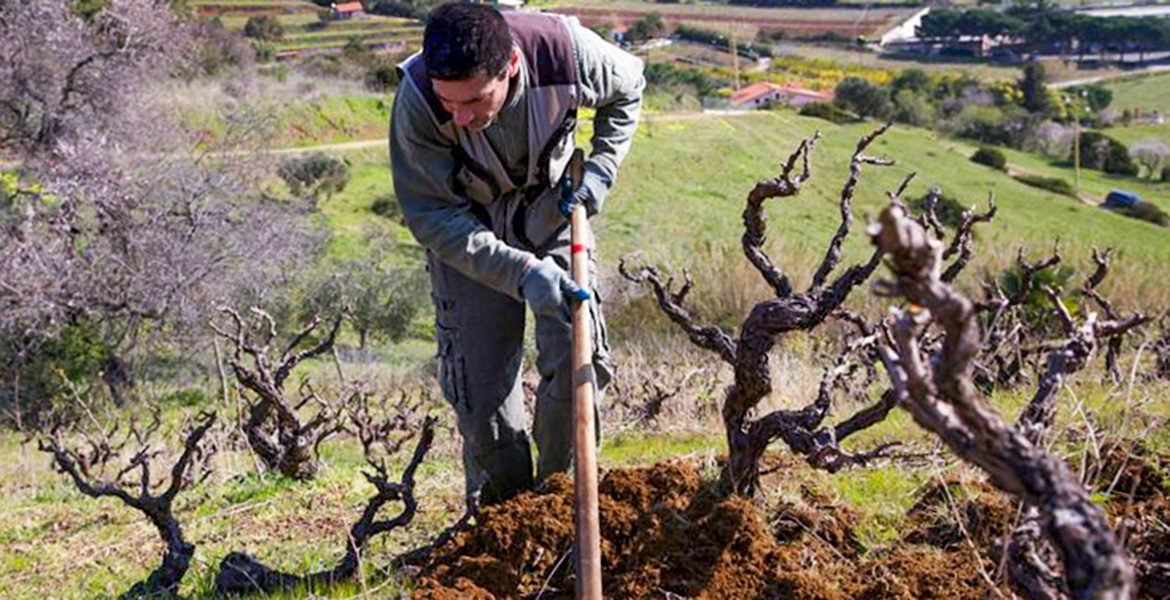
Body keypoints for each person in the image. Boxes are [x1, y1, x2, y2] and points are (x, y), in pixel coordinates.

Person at [389, 2, 644, 506]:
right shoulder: (418, 98)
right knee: (479, 393)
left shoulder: (564, 53)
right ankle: (502, 517)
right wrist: (521, 272)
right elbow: (431, 217)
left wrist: (601, 171)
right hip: (470, 235)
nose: (460, 117)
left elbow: (629, 87)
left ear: (508, 67)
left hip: (554, 212)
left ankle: (559, 499)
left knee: (578, 359)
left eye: (475, 100)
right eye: (450, 103)